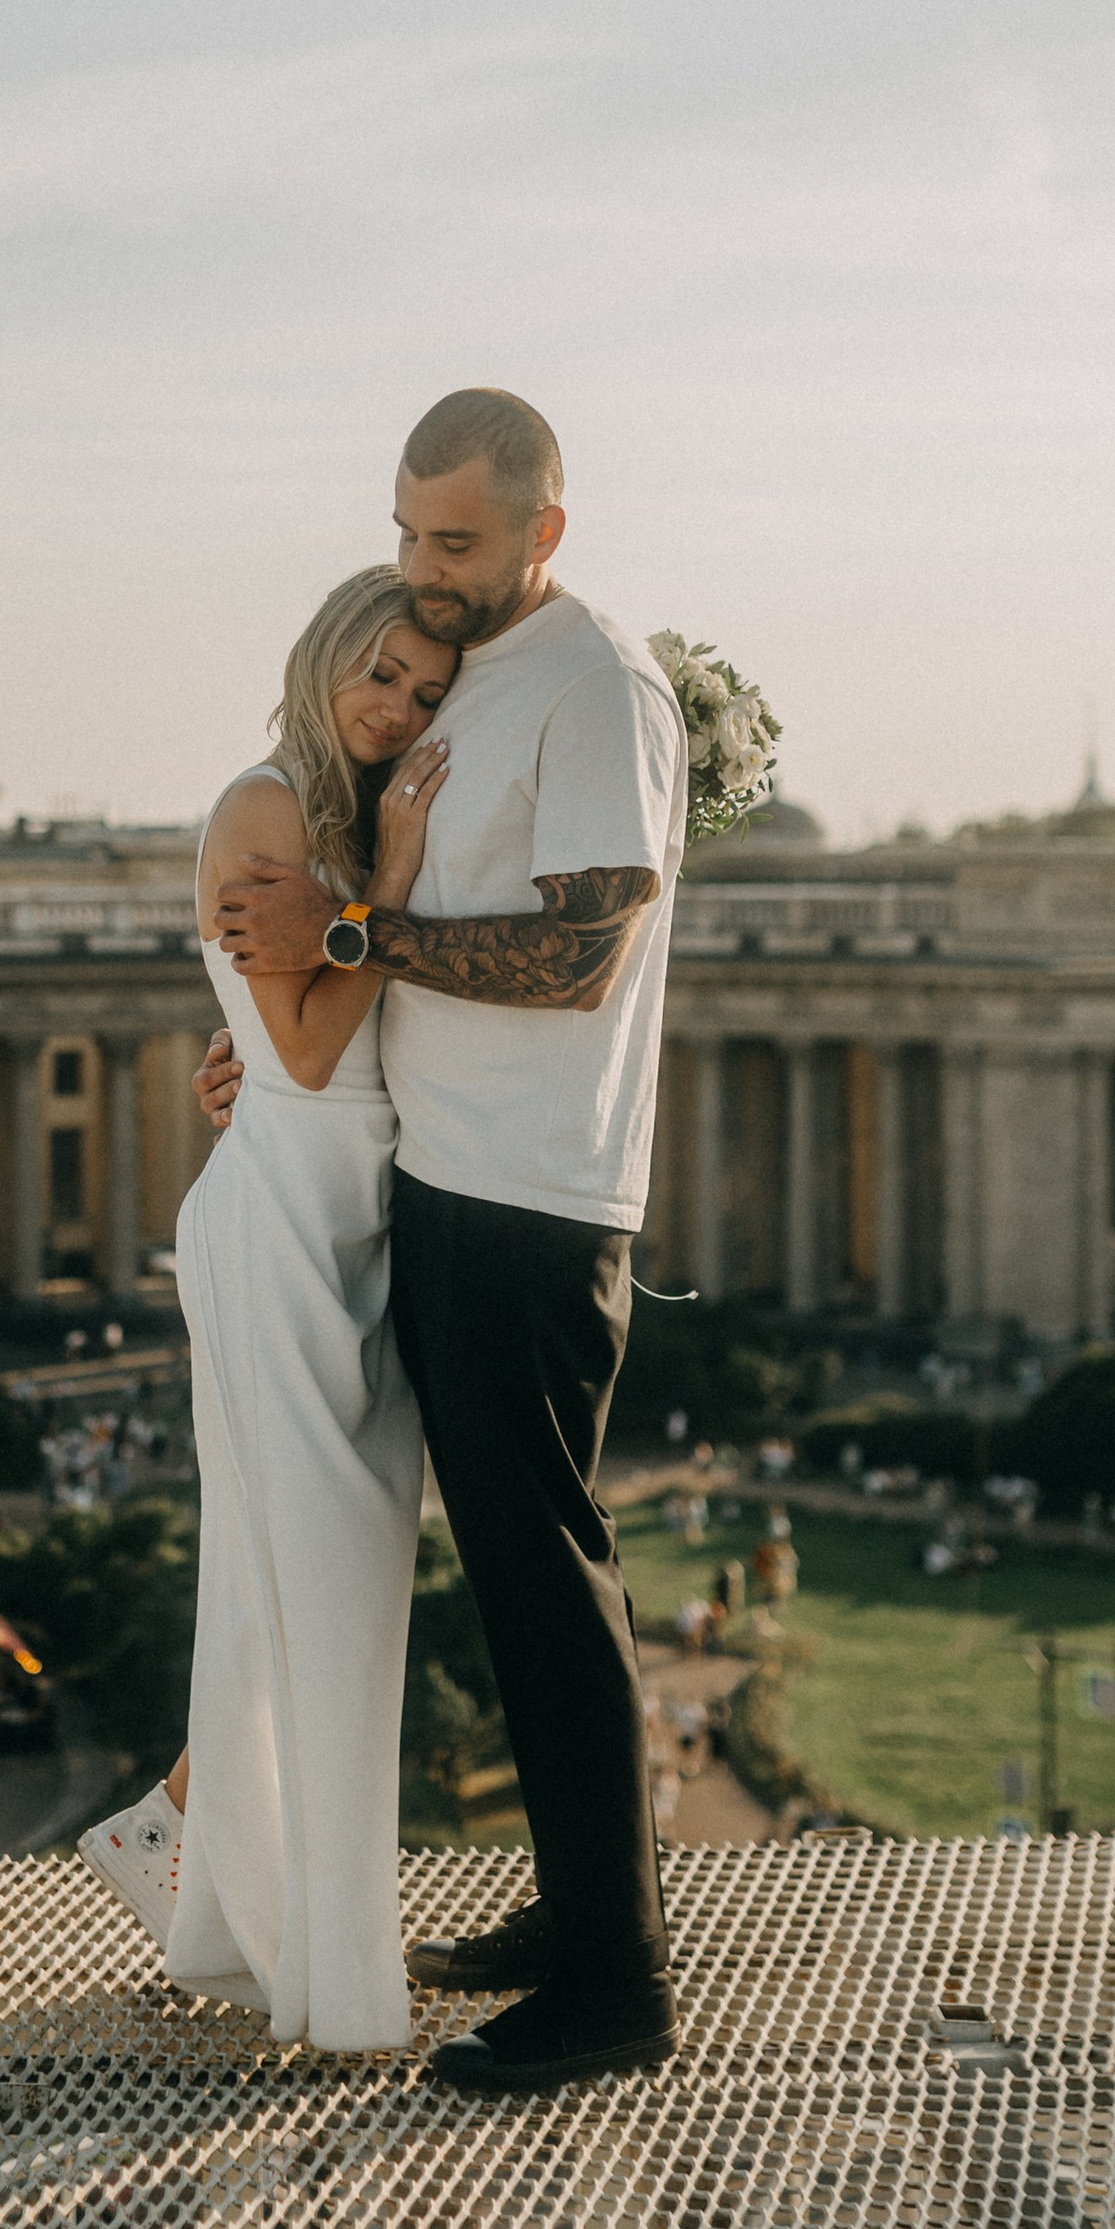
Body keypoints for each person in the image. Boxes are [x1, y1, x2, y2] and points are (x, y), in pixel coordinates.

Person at [206, 388, 687, 2096]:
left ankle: (615, 1990)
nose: (427, 570)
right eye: (411, 534)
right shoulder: (477, 665)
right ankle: (577, 1918)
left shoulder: (602, 686)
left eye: (461, 541)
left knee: (546, 1574)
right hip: (449, 1167)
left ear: (548, 530)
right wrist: (271, 1034)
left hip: (533, 1192)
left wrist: (348, 922)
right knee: (516, 1564)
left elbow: (576, 961)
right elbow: (399, 937)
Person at [75, 564, 454, 2054]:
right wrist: (396, 897)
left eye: (425, 693)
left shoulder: (352, 823)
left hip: (339, 1214)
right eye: (380, 674)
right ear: (320, 656)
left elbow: (298, 1035)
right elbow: (297, 1056)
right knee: (325, 1589)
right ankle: (320, 1957)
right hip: (280, 1223)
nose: (396, 705)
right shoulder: (265, 807)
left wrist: (377, 902)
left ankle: (194, 1851)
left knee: (292, 1586)